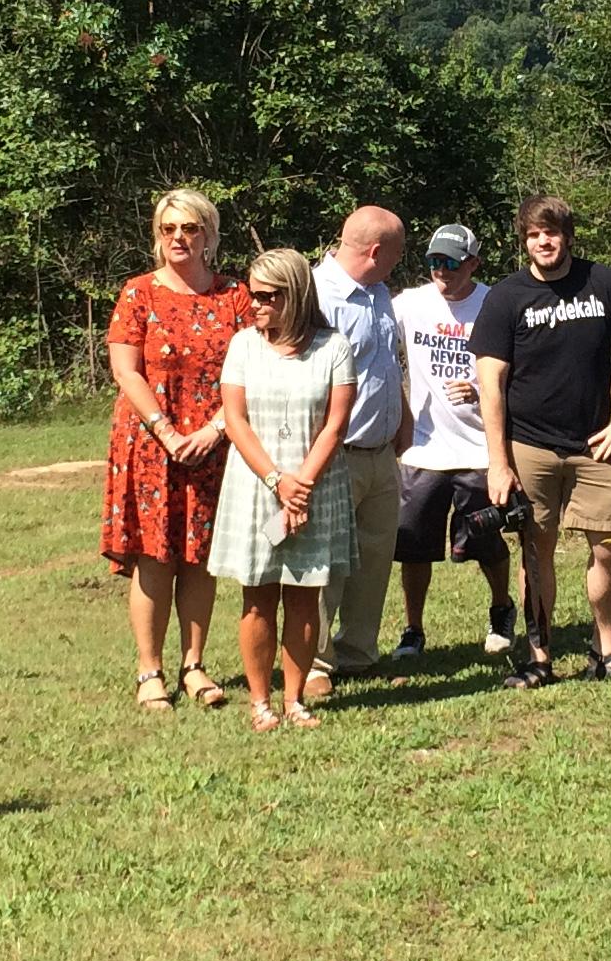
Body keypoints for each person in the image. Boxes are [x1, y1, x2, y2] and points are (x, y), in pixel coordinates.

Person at [472, 195, 611, 688]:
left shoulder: (605, 284)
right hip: (529, 445)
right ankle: (539, 657)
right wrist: (498, 462)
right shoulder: (506, 297)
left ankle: (607, 647)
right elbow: (490, 384)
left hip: (596, 443)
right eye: (533, 234)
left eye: (550, 232)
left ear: (568, 236)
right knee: (535, 550)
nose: (542, 242)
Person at [102, 188, 251, 712]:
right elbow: (126, 371)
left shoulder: (234, 296)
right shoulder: (138, 293)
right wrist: (166, 432)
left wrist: (215, 430)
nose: (178, 238)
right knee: (154, 556)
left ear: (209, 235)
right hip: (150, 442)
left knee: (199, 557)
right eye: (168, 229)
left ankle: (194, 665)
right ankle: (150, 671)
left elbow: (251, 368)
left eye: (189, 228)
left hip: (213, 442)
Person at [208, 247, 358, 730]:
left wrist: (301, 486)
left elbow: (335, 424)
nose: (256, 304)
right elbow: (236, 420)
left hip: (315, 488)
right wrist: (278, 481)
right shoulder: (243, 346)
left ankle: (294, 699)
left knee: (304, 594)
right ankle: (260, 702)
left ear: (294, 295)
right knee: (258, 595)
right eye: (253, 294)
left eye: (268, 296)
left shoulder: (333, 347)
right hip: (258, 487)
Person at [391, 223, 518, 660]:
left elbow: (519, 370)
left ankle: (501, 609)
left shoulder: (494, 304)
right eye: (434, 261)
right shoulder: (410, 304)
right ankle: (413, 629)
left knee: (485, 540)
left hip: (480, 449)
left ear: (474, 263)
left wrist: (479, 389)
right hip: (424, 448)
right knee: (412, 543)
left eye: (452, 262)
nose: (442, 271)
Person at [310, 206, 411, 701]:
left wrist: (403, 418)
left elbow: (386, 363)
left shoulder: (379, 293)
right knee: (325, 561)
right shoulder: (315, 295)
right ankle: (313, 661)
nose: (400, 261)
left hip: (380, 452)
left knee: (373, 557)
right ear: (376, 251)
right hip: (336, 453)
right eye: (397, 252)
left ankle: (358, 651)